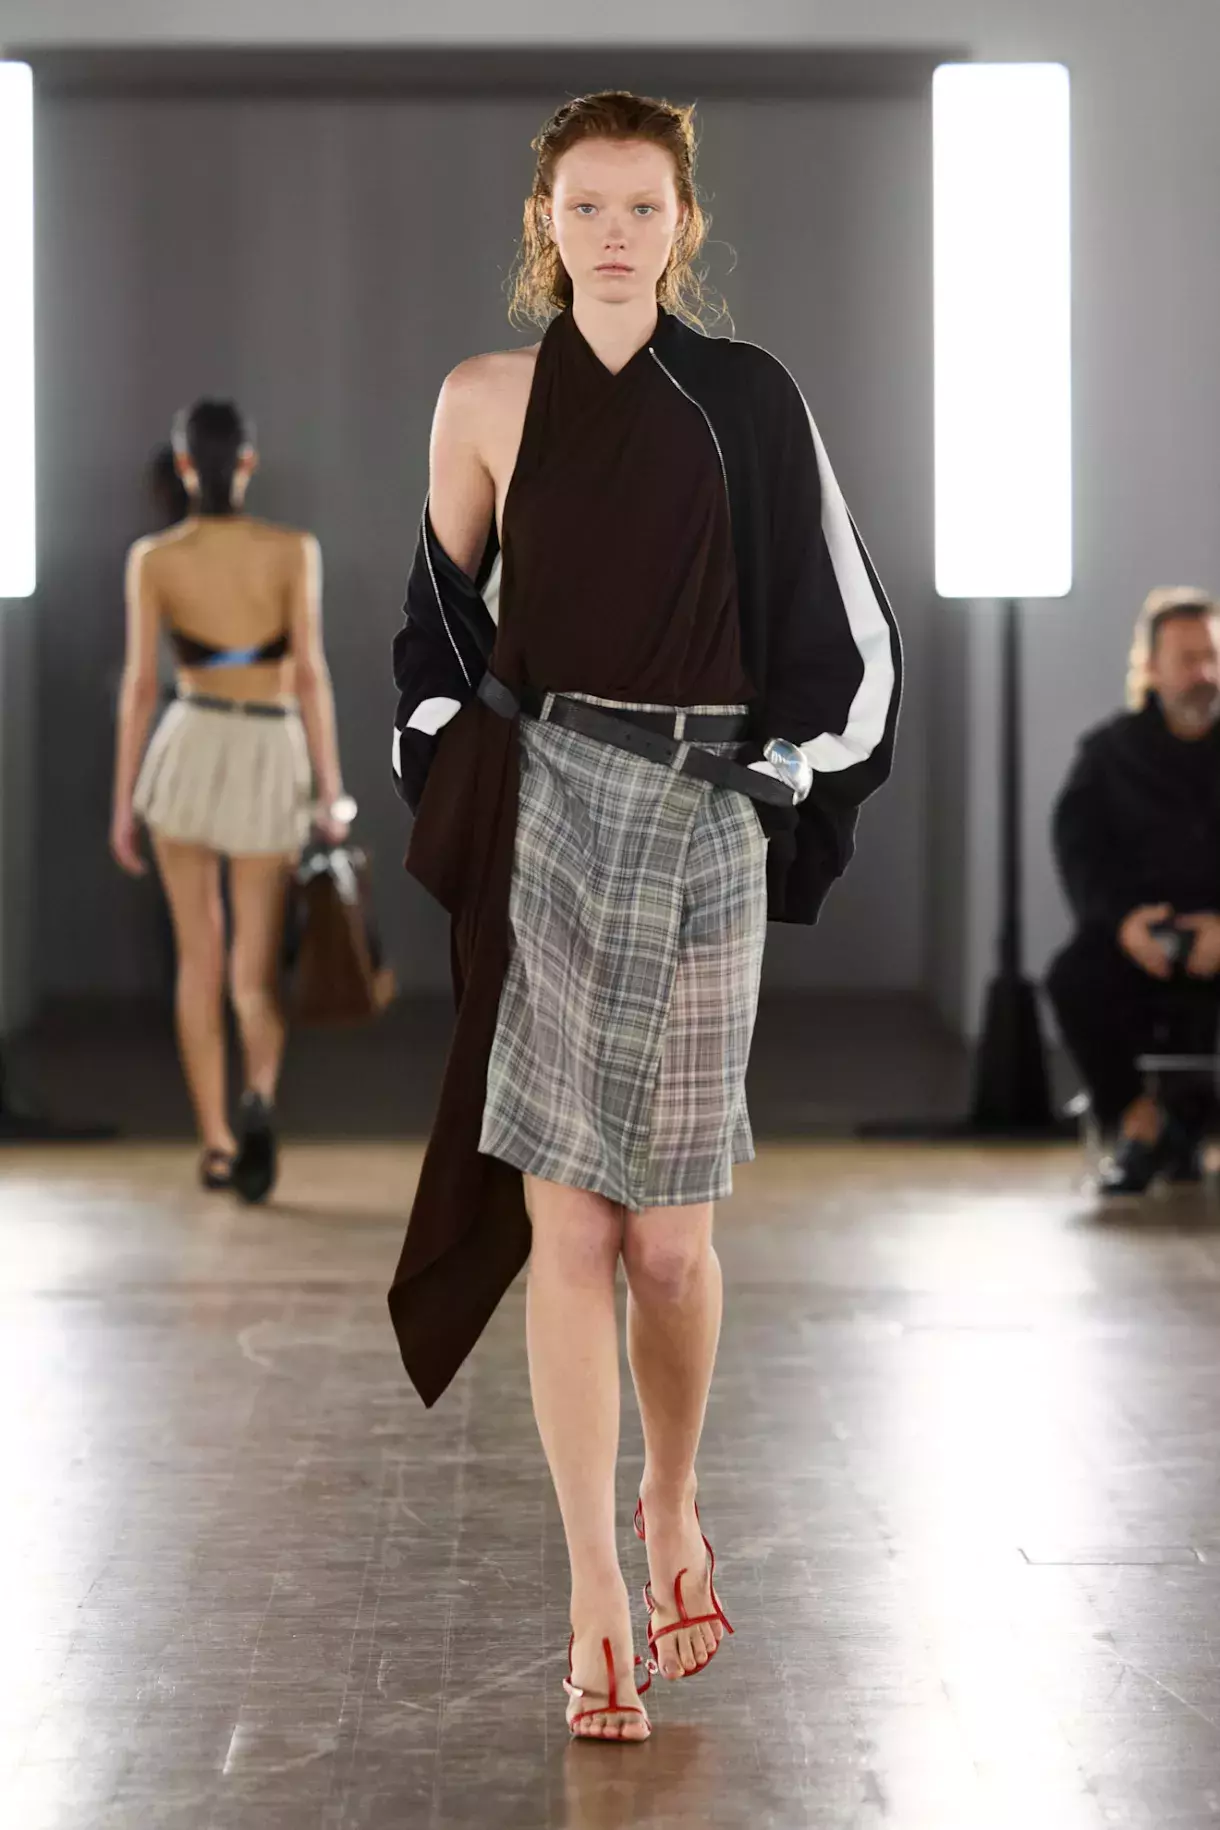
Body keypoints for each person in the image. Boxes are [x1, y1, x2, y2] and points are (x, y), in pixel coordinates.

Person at [387, 92, 901, 1740]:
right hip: (548, 818)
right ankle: (593, 1588)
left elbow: (853, 631)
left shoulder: (750, 395)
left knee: (670, 1243)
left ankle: (670, 1495)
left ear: (685, 224)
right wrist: (462, 777)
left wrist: (778, 777)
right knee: (571, 1232)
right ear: (546, 222)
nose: (614, 233)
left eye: (643, 206)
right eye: (586, 205)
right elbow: (436, 637)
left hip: (707, 823)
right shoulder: (483, 398)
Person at [110, 399, 351, 1200]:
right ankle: (259, 1101)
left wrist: (123, 803)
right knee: (252, 973)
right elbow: (310, 674)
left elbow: (140, 689)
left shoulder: (155, 557)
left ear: (184, 467)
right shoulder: (292, 551)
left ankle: (216, 1142)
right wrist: (332, 790)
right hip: (269, 750)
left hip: (187, 748)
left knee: (198, 961)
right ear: (247, 463)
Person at [1048, 587, 1220, 1195]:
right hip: (1136, 934)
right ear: (1150, 667)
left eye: (1211, 657)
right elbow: (1079, 850)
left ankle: (1187, 1124)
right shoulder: (1109, 753)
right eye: (1187, 660)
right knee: (1073, 978)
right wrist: (1122, 922)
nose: (1204, 674)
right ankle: (1139, 1124)